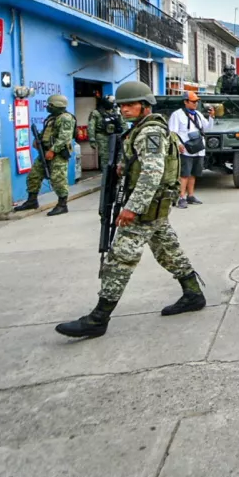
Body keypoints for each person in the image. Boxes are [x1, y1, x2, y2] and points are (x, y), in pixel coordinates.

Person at [55, 81, 203, 338]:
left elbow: (152, 173)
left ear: (145, 106)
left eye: (130, 105)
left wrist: (132, 207)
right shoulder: (141, 130)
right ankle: (193, 293)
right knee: (169, 251)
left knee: (119, 260)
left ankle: (98, 319)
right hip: (154, 209)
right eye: (122, 105)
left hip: (145, 210)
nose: (124, 109)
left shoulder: (150, 132)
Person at [14, 93, 76, 216]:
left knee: (58, 179)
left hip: (58, 153)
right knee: (34, 175)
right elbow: (46, 133)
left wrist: (53, 150)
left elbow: (65, 137)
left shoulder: (66, 118)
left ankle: (62, 205)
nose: (48, 107)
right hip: (45, 152)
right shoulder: (51, 118)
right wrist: (38, 141)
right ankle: (32, 201)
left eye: (50, 105)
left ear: (57, 105)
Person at [168, 92, 212, 209]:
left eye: (196, 101)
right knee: (184, 174)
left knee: (194, 173)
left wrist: (212, 117)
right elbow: (172, 132)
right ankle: (181, 197)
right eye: (193, 101)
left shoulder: (198, 114)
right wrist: (178, 144)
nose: (195, 104)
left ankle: (191, 195)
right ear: (185, 102)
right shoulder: (177, 115)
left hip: (198, 149)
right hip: (186, 149)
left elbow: (207, 127)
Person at [87, 93, 124, 174]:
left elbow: (123, 124)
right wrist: (92, 139)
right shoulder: (96, 113)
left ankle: (115, 175)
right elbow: (91, 126)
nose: (112, 104)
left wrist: (125, 134)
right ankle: (106, 175)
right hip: (102, 136)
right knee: (105, 157)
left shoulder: (116, 113)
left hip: (116, 136)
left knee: (118, 156)